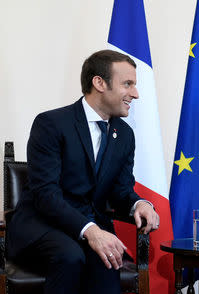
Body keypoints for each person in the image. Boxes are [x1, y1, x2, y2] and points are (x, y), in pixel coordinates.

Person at [6, 49, 159, 294]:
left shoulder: (125, 135)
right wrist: (90, 230)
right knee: (70, 255)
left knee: (107, 257)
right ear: (99, 82)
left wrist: (139, 204)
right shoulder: (51, 124)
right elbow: (46, 194)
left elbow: (120, 190)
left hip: (91, 226)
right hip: (43, 226)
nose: (135, 94)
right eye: (127, 84)